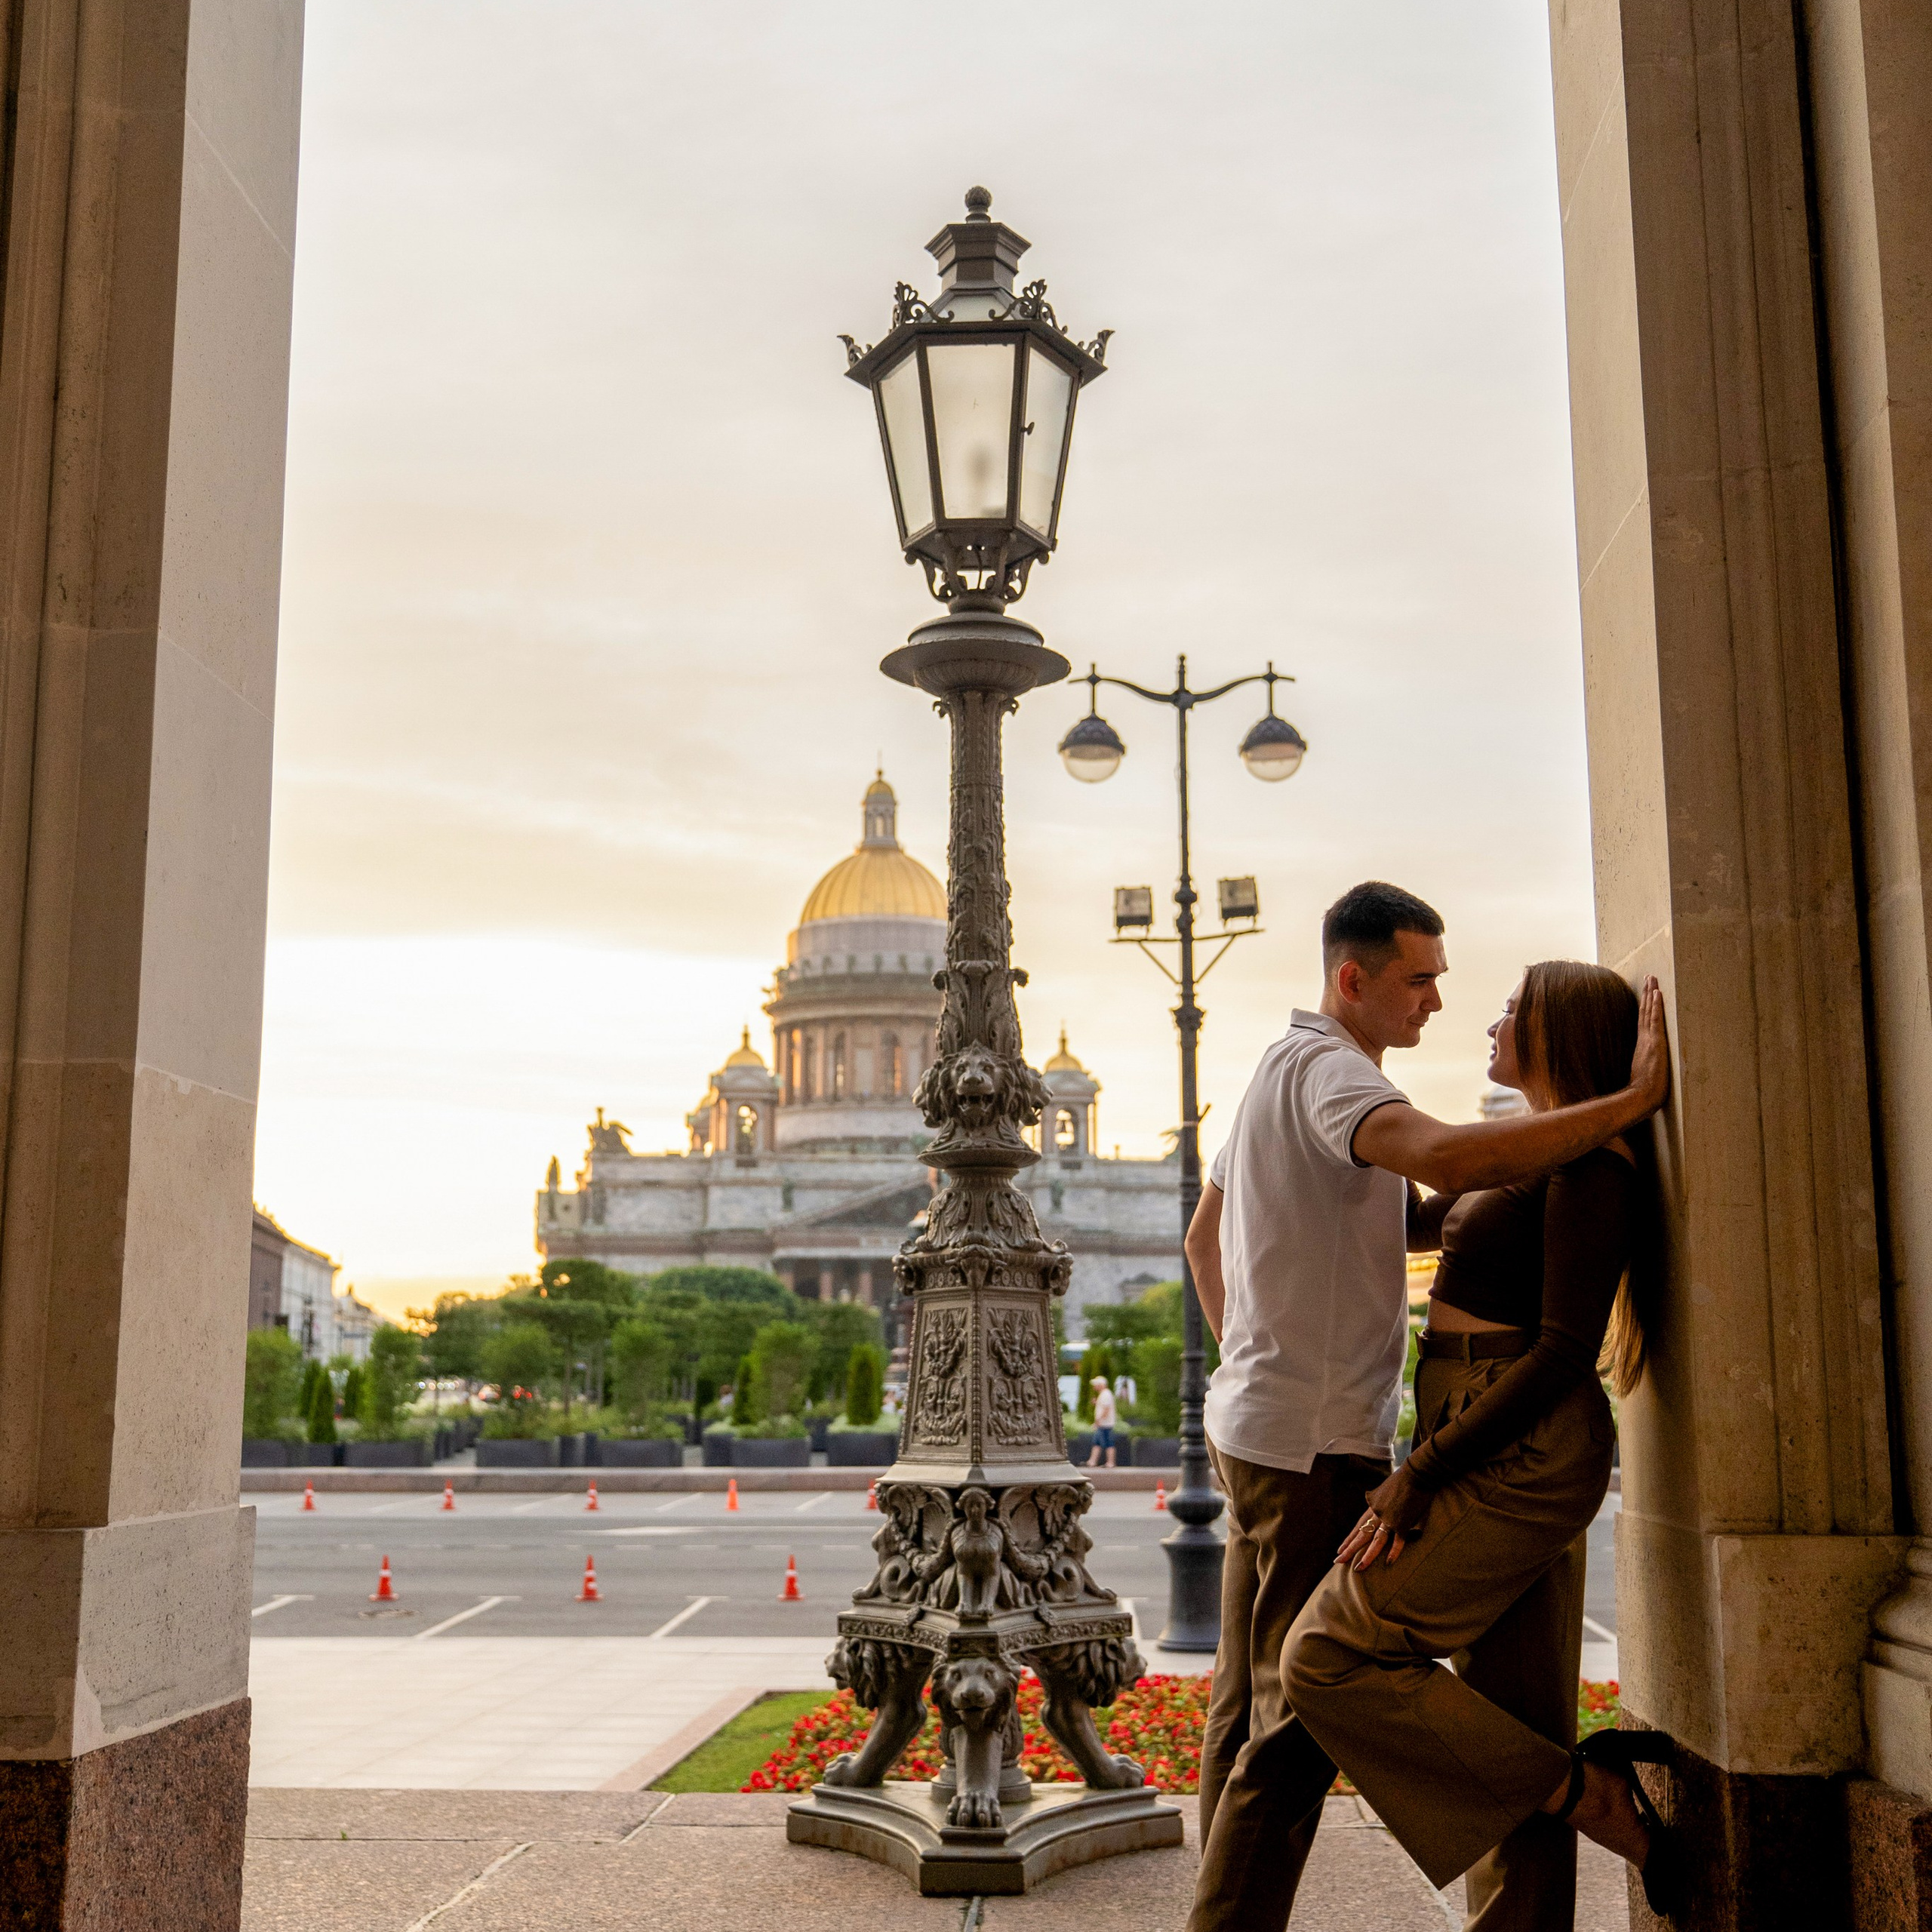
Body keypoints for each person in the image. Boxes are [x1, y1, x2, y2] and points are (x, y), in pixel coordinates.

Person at [1183, 883, 1669, 1932]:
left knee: (1276, 1706)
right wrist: (1631, 1102)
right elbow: (1446, 1163)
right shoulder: (1333, 1077)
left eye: (1471, 990)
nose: (1446, 1005)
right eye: (1421, 979)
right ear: (1352, 980)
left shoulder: (1283, 1069)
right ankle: (1578, 1795)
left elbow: (1207, 1238)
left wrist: (1258, 1370)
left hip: (1386, 1433)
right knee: (1296, 1715)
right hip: (1326, 1444)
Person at [1086, 1377, 1118, 1468]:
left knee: (1109, 1443)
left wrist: (1098, 1420)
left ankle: (1111, 1462)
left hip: (1105, 1424)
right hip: (1103, 1424)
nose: (1094, 1387)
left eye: (1096, 1385)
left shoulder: (1106, 1394)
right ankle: (1092, 1461)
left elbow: (1106, 1409)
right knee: (1097, 1443)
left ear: (1101, 1385)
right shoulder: (1103, 1395)